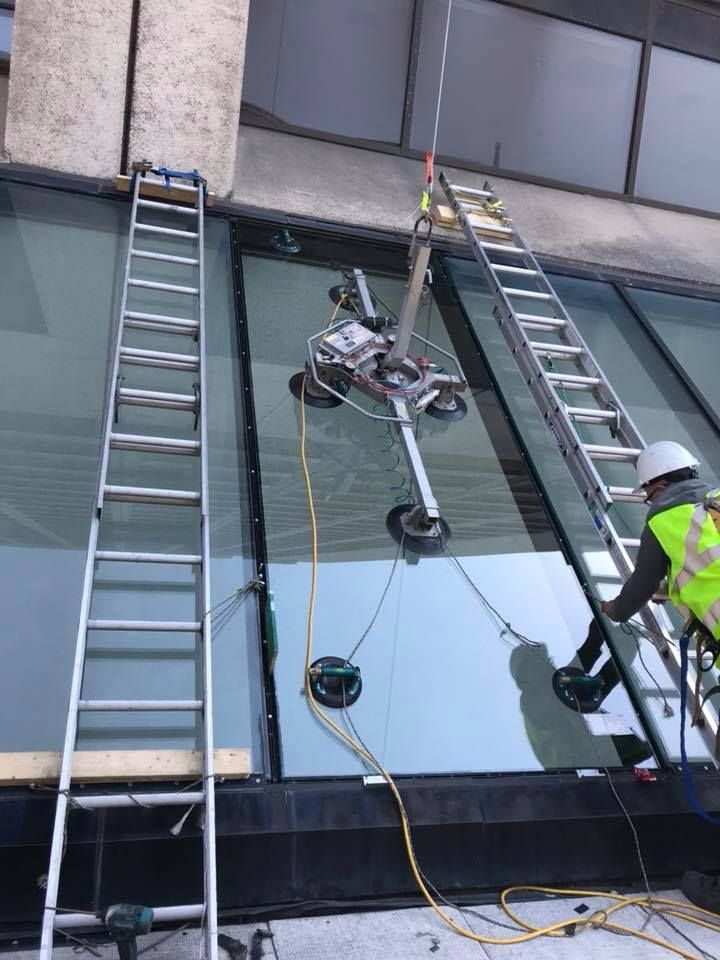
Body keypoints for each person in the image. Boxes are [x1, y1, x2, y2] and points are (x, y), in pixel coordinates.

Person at [600, 440, 720, 912]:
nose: (648, 500)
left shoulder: (664, 522)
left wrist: (612, 609)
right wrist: (674, 589)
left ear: (660, 485)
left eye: (647, 492)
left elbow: (634, 591)